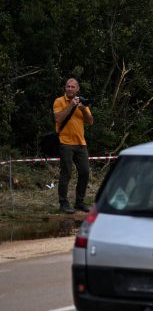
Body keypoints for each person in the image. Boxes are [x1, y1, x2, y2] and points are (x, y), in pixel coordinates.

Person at [52, 78, 94, 213]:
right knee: (66, 173)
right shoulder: (59, 101)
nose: (69, 89)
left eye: (72, 87)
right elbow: (58, 119)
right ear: (65, 88)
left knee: (85, 172)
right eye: (68, 86)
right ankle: (63, 203)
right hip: (65, 143)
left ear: (77, 89)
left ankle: (79, 202)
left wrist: (83, 109)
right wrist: (71, 106)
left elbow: (90, 121)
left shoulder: (82, 102)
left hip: (81, 143)